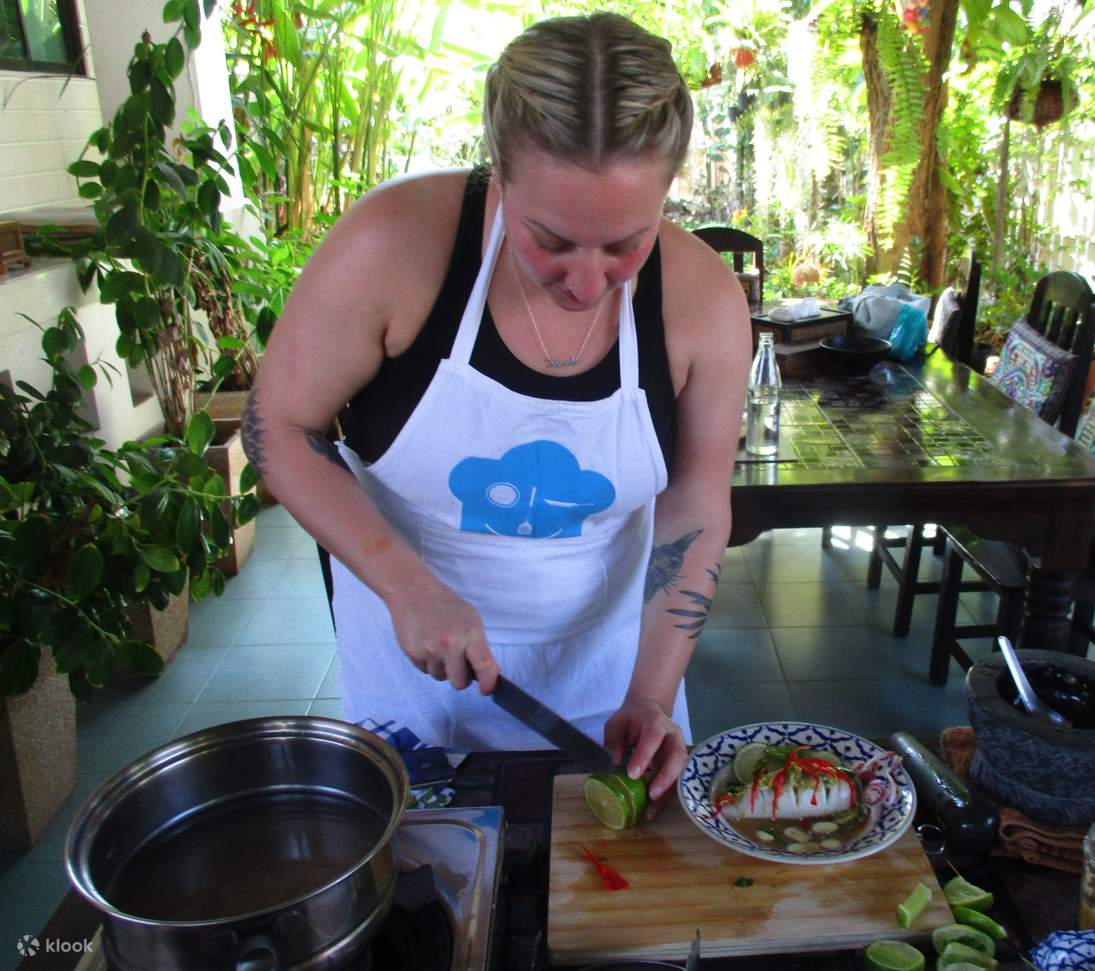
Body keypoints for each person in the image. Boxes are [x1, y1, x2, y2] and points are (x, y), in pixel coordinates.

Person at [243, 12, 749, 811]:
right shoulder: (393, 246)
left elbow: (693, 501)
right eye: (549, 239)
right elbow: (275, 424)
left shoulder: (702, 302)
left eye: (626, 244)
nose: (587, 283)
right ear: (498, 171)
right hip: (414, 688)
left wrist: (652, 693)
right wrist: (404, 583)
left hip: (613, 687)